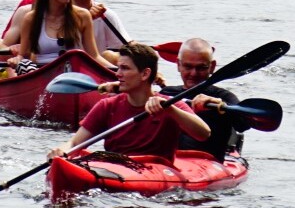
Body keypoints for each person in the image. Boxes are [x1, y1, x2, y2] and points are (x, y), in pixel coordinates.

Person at [49, 41, 211, 161]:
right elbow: (75, 142)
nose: (118, 74)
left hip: (156, 171)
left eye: (125, 68)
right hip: (115, 167)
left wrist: (170, 111)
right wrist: (61, 152)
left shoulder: (168, 104)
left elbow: (204, 133)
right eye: (118, 68)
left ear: (145, 74)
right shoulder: (107, 106)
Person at [94, 38, 247, 160]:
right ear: (178, 65)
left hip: (207, 162)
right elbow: (142, 97)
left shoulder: (224, 97)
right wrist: (124, 87)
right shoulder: (168, 92)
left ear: (212, 67)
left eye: (201, 68)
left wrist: (220, 105)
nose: (193, 73)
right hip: (171, 162)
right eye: (188, 67)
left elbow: (244, 123)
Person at [0, 0, 99, 68]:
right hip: (42, 73)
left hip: (73, 73)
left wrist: (115, 73)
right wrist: (16, 59)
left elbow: (95, 57)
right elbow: (22, 56)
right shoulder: (31, 18)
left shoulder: (83, 16)